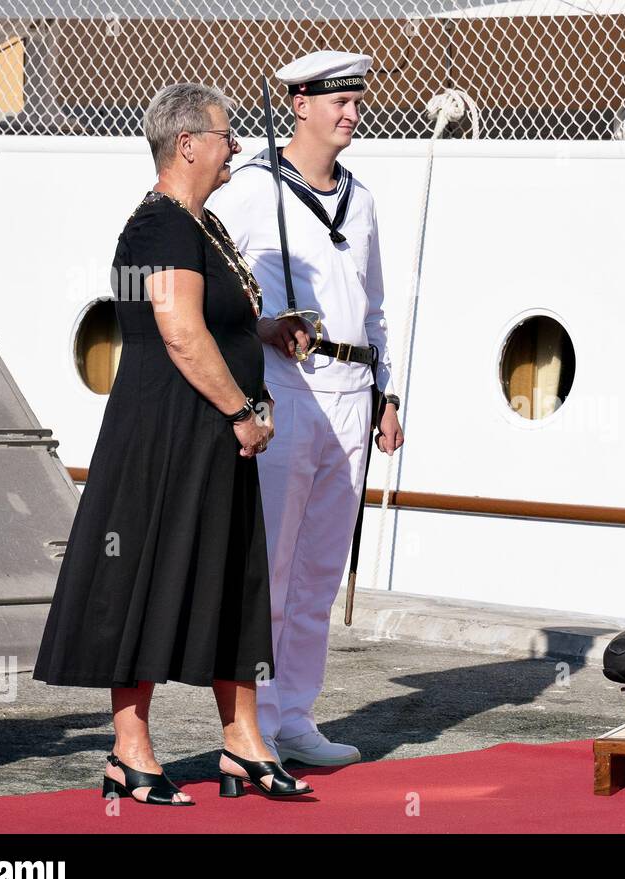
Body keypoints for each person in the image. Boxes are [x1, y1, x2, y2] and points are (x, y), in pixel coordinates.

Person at [32, 83, 312, 802]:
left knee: (231, 577)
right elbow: (179, 332)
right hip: (165, 435)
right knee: (144, 578)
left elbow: (213, 321)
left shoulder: (203, 226)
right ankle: (129, 748)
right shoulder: (160, 227)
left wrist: (265, 334)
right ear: (188, 144)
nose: (238, 146)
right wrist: (246, 408)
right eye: (226, 134)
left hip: (210, 437)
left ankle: (243, 743)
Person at [208, 50, 403, 767]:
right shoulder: (252, 189)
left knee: (321, 568)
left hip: (353, 391)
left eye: (356, 102)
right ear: (298, 104)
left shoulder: (364, 196)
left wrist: (386, 393)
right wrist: (258, 329)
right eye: (337, 103)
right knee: (276, 567)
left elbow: (376, 308)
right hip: (286, 386)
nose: (352, 114)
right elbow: (211, 284)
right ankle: (249, 721)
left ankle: (296, 716)